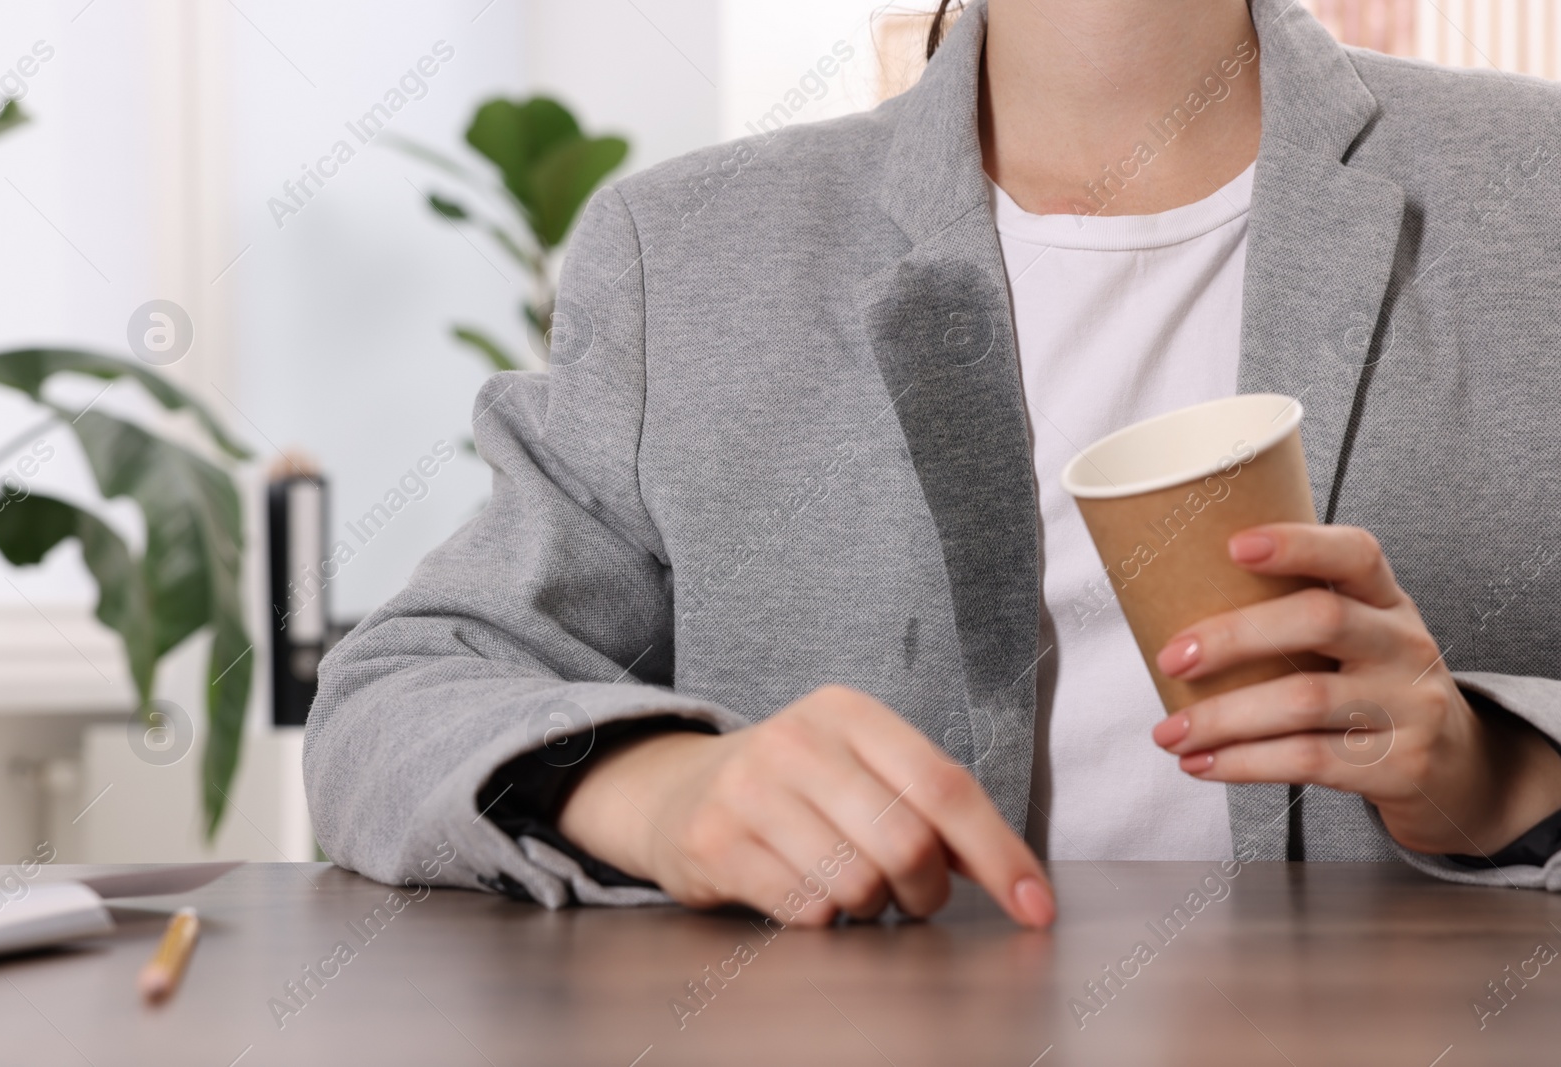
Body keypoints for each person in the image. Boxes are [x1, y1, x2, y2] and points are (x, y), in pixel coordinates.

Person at [305, 0, 1561, 926]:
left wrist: (1501, 773)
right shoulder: (684, 251)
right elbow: (392, 700)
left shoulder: (1535, 193)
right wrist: (664, 790)